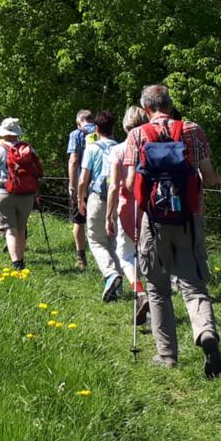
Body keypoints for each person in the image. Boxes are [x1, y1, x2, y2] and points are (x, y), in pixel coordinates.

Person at [116, 84, 221, 377]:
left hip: (154, 222)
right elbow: (207, 177)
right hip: (189, 219)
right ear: (170, 104)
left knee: (157, 289)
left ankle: (167, 355)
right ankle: (206, 333)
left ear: (146, 108)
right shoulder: (193, 130)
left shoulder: (138, 134)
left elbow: (131, 184)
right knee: (193, 285)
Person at [105, 106, 149, 324]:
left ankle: (139, 292)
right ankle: (157, 302)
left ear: (125, 125)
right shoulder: (152, 147)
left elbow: (113, 186)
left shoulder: (119, 150)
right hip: (150, 205)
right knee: (149, 252)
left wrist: (108, 216)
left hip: (126, 206)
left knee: (125, 254)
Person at [76, 111, 124, 301]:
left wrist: (80, 199)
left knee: (96, 241)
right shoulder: (120, 148)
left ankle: (111, 274)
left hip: (98, 198)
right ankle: (118, 287)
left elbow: (83, 179)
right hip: (118, 199)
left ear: (96, 129)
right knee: (114, 240)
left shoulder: (92, 148)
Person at [0, 117, 41, 270]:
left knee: (10, 229)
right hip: (26, 194)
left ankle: (16, 264)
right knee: (21, 228)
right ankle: (21, 260)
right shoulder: (28, 148)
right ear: (17, 133)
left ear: (3, 132)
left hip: (3, 192)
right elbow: (36, 171)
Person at [65, 109, 92, 270]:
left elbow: (74, 160)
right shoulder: (103, 130)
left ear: (78, 122)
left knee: (79, 221)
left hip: (83, 185)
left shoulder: (76, 134)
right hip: (102, 185)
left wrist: (72, 186)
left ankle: (81, 257)